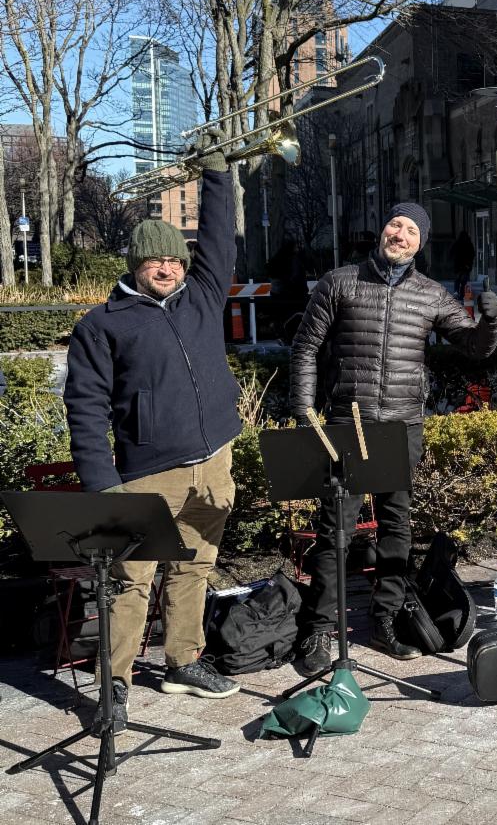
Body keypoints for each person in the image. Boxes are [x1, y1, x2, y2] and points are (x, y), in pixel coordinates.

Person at [64, 138, 242, 734]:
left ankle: (183, 660)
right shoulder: (101, 324)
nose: (168, 268)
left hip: (214, 456)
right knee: (129, 580)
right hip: (146, 469)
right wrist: (102, 484)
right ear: (135, 263)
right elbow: (84, 407)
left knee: (195, 562)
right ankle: (114, 683)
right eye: (155, 261)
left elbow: (219, 240)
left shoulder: (203, 296)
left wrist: (217, 174)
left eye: (175, 260)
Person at [289, 202, 497, 675]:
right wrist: (306, 414)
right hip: (347, 421)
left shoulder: (431, 295)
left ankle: (385, 618)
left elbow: (473, 349)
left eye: (411, 231)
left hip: (402, 425)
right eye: (395, 225)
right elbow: (305, 348)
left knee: (396, 528)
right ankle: (320, 627)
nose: (400, 235)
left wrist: (490, 322)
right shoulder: (340, 281)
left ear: (421, 243)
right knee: (335, 529)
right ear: (382, 230)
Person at [452, 229, 476, 299]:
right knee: (463, 281)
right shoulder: (469, 243)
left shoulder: (457, 243)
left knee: (457, 280)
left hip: (458, 265)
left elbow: (452, 252)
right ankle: (461, 294)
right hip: (466, 265)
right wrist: (469, 264)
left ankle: (456, 291)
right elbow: (472, 254)